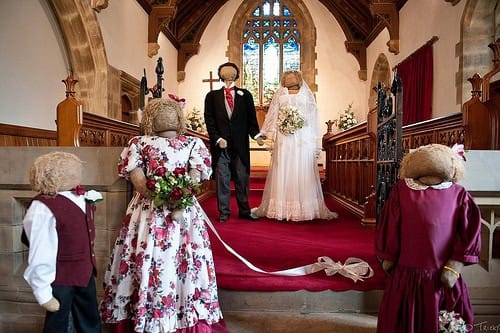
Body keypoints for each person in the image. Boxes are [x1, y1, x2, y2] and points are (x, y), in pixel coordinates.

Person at [99, 97, 228, 333]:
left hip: (151, 210)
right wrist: (176, 194)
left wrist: (162, 193)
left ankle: (160, 314)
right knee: (177, 257)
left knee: (154, 254)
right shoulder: (172, 143)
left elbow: (142, 179)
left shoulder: (144, 143)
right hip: (176, 208)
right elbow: (191, 177)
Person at [375, 144, 481, 333]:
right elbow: (392, 225)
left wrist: (454, 266)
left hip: (442, 274)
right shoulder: (401, 191)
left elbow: (466, 233)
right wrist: (389, 256)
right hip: (407, 273)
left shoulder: (459, 195)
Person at [23, 151, 102, 333]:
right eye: (71, 169)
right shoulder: (43, 207)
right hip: (60, 277)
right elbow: (40, 250)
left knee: (90, 319)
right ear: (55, 175)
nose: (78, 171)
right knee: (57, 323)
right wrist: (42, 292)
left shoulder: (81, 197)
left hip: (85, 271)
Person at [251, 70, 338, 222]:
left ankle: (304, 208)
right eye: (287, 77)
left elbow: (313, 117)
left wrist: (314, 141)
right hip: (285, 138)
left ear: (298, 79)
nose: (289, 79)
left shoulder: (307, 95)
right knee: (284, 169)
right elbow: (272, 115)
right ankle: (280, 208)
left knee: (301, 169)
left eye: (292, 77)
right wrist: (265, 132)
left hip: (302, 138)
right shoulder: (280, 95)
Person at [204, 62, 264, 222]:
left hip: (240, 145)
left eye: (232, 72)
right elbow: (209, 120)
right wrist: (217, 138)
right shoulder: (212, 96)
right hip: (221, 146)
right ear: (221, 75)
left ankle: (244, 210)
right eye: (225, 72)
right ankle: (224, 212)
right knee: (222, 179)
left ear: (236, 74)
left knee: (242, 178)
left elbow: (252, 119)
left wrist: (256, 135)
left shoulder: (246, 95)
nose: (229, 74)